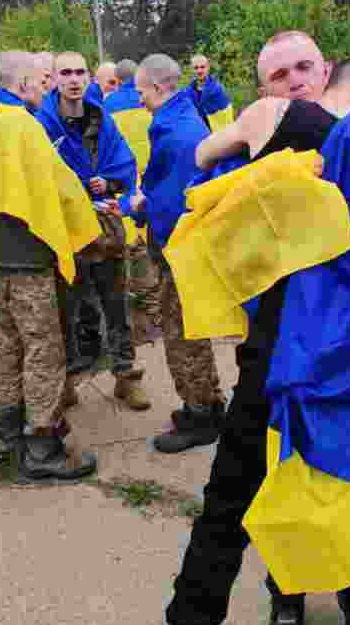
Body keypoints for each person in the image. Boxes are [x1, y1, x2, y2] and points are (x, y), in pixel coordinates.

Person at [155, 56, 350, 625]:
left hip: (333, 361)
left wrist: (257, 147)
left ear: (326, 73)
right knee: (248, 504)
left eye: (302, 67)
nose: (292, 80)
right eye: (277, 74)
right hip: (300, 360)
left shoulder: (307, 125)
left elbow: (203, 156)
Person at [0, 51, 100, 481]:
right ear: (23, 82)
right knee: (44, 351)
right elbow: (56, 187)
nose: (47, 88)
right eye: (42, 80)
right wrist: (87, 225)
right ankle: (42, 447)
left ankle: (4, 436)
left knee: (8, 350)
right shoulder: (23, 125)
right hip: (27, 258)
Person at [119, 54, 224, 453]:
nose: (139, 98)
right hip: (184, 246)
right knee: (188, 330)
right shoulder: (180, 120)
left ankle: (201, 414)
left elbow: (172, 200)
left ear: (158, 87)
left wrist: (135, 206)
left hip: (179, 250)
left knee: (182, 335)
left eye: (141, 90)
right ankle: (209, 403)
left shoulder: (176, 132)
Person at [36, 51, 147, 411]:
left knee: (116, 304)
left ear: (89, 77)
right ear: (54, 78)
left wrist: (109, 181)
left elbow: (125, 162)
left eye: (80, 72)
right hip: (66, 230)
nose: (74, 79)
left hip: (105, 228)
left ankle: (126, 375)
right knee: (65, 311)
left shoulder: (102, 118)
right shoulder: (42, 124)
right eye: (66, 72)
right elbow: (38, 174)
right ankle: (67, 381)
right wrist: (78, 188)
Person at [104, 59, 160, 344]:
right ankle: (153, 314)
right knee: (146, 249)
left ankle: (130, 322)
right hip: (149, 180)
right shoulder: (147, 102)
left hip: (122, 182)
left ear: (116, 80)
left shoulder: (107, 106)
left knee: (123, 251)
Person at [184, 55, 234, 132]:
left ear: (208, 67)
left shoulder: (217, 89)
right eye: (196, 68)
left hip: (217, 133)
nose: (199, 71)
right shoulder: (187, 92)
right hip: (198, 133)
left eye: (202, 67)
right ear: (191, 70)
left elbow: (226, 116)